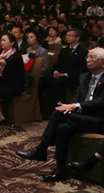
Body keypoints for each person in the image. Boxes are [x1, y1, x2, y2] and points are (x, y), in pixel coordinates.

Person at [16, 48, 104, 182]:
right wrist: (70, 107)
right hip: (82, 117)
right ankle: (61, 170)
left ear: (103, 63)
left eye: (92, 58)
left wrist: (75, 106)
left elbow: (101, 102)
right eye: (87, 57)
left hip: (99, 120)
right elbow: (76, 97)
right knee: (63, 127)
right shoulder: (84, 77)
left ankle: (42, 149)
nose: (87, 60)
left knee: (58, 113)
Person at [39, 28, 89, 108]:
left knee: (58, 83)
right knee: (43, 80)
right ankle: (43, 109)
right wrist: (55, 71)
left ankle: (58, 108)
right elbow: (58, 64)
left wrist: (65, 74)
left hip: (73, 77)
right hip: (60, 74)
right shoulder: (64, 50)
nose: (67, 37)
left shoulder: (83, 51)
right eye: (66, 35)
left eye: (70, 35)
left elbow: (82, 69)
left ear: (77, 37)